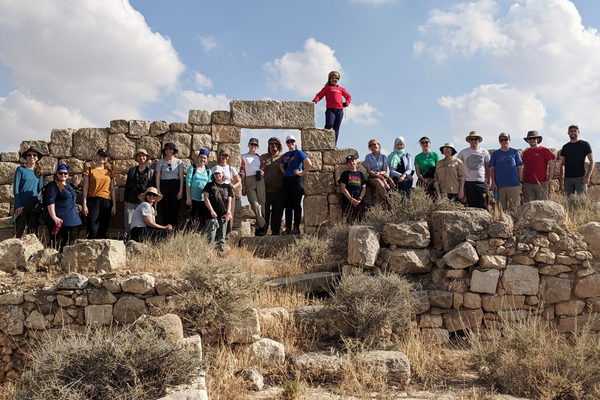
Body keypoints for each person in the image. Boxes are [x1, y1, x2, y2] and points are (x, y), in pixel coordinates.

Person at [44, 164, 82, 251]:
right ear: (56, 174)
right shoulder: (52, 186)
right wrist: (54, 217)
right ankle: (56, 261)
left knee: (71, 240)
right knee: (58, 242)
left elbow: (66, 192)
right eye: (60, 173)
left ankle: (66, 260)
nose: (63, 175)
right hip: (59, 219)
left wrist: (75, 184)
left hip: (70, 219)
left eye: (65, 173)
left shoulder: (67, 185)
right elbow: (50, 202)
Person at [280, 134, 312, 235]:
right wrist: (285, 172)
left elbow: (309, 163)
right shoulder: (284, 155)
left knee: (296, 204)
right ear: (286, 144)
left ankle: (296, 228)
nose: (290, 144)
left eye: (292, 141)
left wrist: (302, 172)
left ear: (295, 142)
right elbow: (281, 165)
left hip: (296, 180)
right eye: (288, 142)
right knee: (288, 206)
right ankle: (288, 228)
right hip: (286, 180)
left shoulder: (299, 153)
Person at [82, 149, 116, 239]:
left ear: (107, 158)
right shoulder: (89, 170)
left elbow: (112, 189)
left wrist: (114, 205)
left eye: (104, 156)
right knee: (93, 228)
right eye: (100, 155)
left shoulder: (109, 172)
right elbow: (85, 188)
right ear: (96, 156)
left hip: (106, 201)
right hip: (93, 200)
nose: (102, 158)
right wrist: (84, 204)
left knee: (103, 228)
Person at [312, 71, 352, 146]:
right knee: (329, 124)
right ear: (329, 79)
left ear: (338, 79)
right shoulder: (327, 88)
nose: (334, 79)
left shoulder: (341, 89)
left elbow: (348, 97)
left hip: (339, 110)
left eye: (336, 78)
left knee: (336, 127)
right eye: (332, 78)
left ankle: (334, 142)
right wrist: (315, 101)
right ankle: (325, 137)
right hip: (330, 110)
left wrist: (346, 103)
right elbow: (320, 95)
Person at [123, 149, 155, 238]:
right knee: (129, 223)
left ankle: (141, 239)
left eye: (143, 155)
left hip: (144, 202)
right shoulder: (132, 171)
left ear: (146, 157)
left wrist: (152, 202)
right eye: (139, 156)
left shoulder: (150, 172)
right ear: (137, 158)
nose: (142, 157)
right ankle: (129, 239)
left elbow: (152, 188)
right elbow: (127, 186)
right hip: (131, 200)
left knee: (144, 222)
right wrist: (125, 199)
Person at [13, 147, 44, 238]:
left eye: (34, 155)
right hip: (22, 205)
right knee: (18, 231)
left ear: (37, 158)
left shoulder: (38, 172)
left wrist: (41, 205)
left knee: (32, 232)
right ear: (26, 157)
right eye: (29, 155)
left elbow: (40, 190)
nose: (32, 157)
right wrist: (18, 205)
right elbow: (16, 189)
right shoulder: (20, 170)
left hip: (34, 205)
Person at [489, 133, 523, 213]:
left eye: (506, 139)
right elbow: (491, 169)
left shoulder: (515, 152)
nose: (504, 141)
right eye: (501, 140)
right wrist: (493, 182)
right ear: (499, 141)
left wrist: (520, 181)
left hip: (514, 184)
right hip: (500, 185)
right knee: (501, 208)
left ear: (509, 140)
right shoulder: (495, 154)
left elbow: (520, 167)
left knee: (513, 208)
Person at [457, 131, 490, 210]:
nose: (473, 141)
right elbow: (457, 163)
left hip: (482, 182)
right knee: (472, 206)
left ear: (478, 140)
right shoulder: (463, 152)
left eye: (475, 139)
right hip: (469, 182)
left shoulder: (484, 152)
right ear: (469, 141)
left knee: (484, 204)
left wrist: (489, 182)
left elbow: (488, 168)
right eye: (471, 139)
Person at [203, 166, 233, 253]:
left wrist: (228, 213)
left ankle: (220, 254)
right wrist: (211, 210)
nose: (217, 175)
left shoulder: (228, 187)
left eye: (219, 173)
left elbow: (229, 200)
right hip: (211, 215)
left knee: (222, 237)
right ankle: (209, 254)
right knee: (211, 236)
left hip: (223, 215)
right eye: (215, 173)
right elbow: (206, 198)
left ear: (222, 174)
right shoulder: (209, 185)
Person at [212, 148, 241, 234]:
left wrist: (233, 186)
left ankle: (227, 234)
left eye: (226, 155)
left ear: (228, 157)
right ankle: (217, 234)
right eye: (222, 155)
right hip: (217, 192)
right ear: (219, 156)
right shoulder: (214, 168)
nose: (224, 157)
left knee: (229, 213)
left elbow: (238, 181)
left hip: (228, 193)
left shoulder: (231, 169)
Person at [241, 138, 266, 236]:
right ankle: (263, 224)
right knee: (255, 204)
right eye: (252, 144)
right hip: (249, 180)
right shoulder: (243, 156)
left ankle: (260, 228)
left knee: (262, 203)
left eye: (255, 145)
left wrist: (262, 173)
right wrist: (243, 187)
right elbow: (242, 172)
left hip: (259, 180)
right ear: (248, 144)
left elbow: (262, 169)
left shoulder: (259, 157)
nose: (253, 146)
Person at [560, 125, 594, 196]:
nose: (573, 133)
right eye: (571, 131)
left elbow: (592, 161)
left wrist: (587, 176)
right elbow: (562, 164)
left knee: (582, 201)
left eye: (575, 131)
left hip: (581, 178)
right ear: (568, 133)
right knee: (569, 202)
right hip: (568, 178)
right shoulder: (565, 147)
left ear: (578, 132)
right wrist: (562, 180)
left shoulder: (585, 145)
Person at [156, 142, 184, 227]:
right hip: (164, 185)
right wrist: (158, 190)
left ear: (174, 151)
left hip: (175, 185)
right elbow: (157, 177)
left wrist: (180, 191)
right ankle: (165, 228)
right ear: (165, 151)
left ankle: (174, 228)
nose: (169, 151)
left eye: (171, 149)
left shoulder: (179, 162)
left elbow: (181, 177)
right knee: (165, 208)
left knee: (175, 208)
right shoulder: (160, 162)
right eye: (167, 149)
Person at [521, 130, 555, 202]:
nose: (532, 140)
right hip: (528, 184)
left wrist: (549, 179)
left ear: (538, 139)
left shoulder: (544, 150)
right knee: (530, 206)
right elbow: (523, 167)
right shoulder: (526, 153)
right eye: (530, 139)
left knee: (542, 206)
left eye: (534, 138)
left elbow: (551, 163)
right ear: (527, 140)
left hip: (541, 183)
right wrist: (522, 181)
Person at [261, 137, 284, 235]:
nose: (273, 145)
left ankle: (275, 233)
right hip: (265, 190)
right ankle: (262, 232)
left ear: (279, 146)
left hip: (279, 190)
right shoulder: (262, 157)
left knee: (277, 213)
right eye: (271, 143)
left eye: (276, 143)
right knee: (264, 213)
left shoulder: (283, 157)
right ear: (268, 145)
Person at [185, 149, 212, 231]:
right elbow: (188, 182)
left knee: (202, 219)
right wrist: (188, 197)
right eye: (201, 157)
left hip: (203, 199)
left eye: (204, 158)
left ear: (207, 159)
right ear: (198, 157)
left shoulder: (208, 171)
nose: (202, 159)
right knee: (190, 219)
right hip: (192, 198)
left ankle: (201, 236)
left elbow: (209, 185)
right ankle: (188, 235)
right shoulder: (192, 168)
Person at [338, 155, 367, 223]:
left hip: (359, 203)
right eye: (349, 162)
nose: (352, 163)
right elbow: (343, 188)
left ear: (356, 162)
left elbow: (364, 188)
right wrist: (351, 199)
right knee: (348, 223)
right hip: (347, 203)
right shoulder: (345, 174)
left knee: (361, 223)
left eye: (353, 161)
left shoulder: (361, 174)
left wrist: (359, 199)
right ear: (347, 164)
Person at [365, 139, 388, 205]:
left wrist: (380, 173)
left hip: (381, 177)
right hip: (372, 178)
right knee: (378, 182)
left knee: (378, 188)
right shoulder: (368, 157)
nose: (373, 147)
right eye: (370, 146)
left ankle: (378, 206)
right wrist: (375, 174)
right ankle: (387, 199)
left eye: (374, 145)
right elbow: (369, 170)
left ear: (378, 145)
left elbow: (385, 170)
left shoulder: (384, 157)